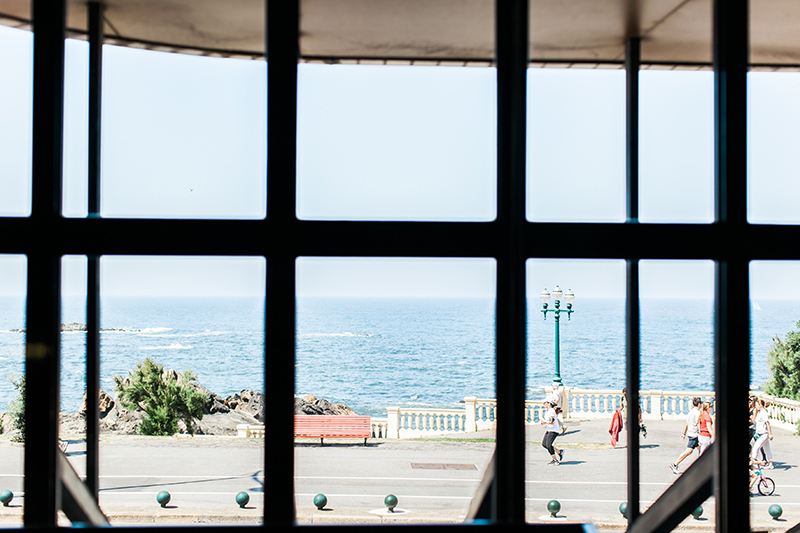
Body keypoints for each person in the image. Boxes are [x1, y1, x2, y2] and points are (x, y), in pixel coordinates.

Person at [669, 397, 702, 474]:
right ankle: (674, 464)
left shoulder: (691, 412)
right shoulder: (697, 413)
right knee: (688, 451)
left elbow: (686, 423)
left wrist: (683, 433)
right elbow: (699, 424)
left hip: (691, 433)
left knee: (701, 450)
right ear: (699, 404)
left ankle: (702, 465)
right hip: (695, 435)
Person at [751, 398, 774, 469]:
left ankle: (753, 462)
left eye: (757, 405)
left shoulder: (764, 412)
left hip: (764, 433)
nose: (756, 406)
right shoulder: (759, 412)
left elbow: (767, 423)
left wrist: (770, 434)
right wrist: (752, 419)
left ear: (761, 405)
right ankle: (771, 464)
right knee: (767, 449)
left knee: (756, 447)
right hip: (760, 433)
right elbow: (757, 423)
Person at [540, 399, 564, 465]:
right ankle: (559, 451)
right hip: (549, 430)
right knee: (544, 444)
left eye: (545, 403)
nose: (544, 404)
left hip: (554, 430)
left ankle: (555, 460)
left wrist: (545, 422)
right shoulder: (547, 411)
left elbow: (552, 422)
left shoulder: (551, 411)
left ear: (549, 403)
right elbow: (549, 421)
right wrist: (543, 422)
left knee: (548, 445)